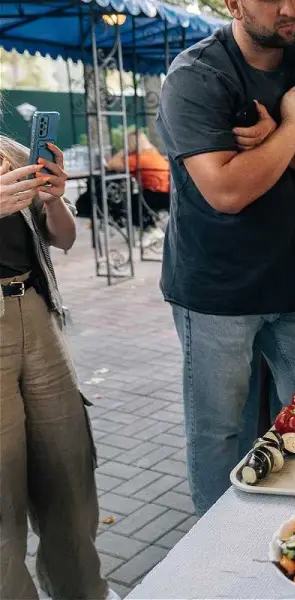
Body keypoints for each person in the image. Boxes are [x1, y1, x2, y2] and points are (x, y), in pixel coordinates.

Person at [156, 0, 295, 515]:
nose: (289, 7)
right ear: (232, 3)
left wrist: (278, 138)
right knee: (219, 432)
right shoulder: (198, 75)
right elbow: (227, 190)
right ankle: (215, 555)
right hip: (216, 293)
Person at [0, 136, 116, 600]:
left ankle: (85, 591)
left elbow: (62, 239)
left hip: (34, 308)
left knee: (69, 470)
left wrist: (53, 201)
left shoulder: (11, 148)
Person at [105, 130, 171, 239]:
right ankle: (151, 227)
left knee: (126, 204)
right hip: (168, 195)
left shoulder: (137, 159)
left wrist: (123, 151)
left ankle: (150, 230)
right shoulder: (154, 155)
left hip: (157, 196)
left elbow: (111, 165)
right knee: (135, 199)